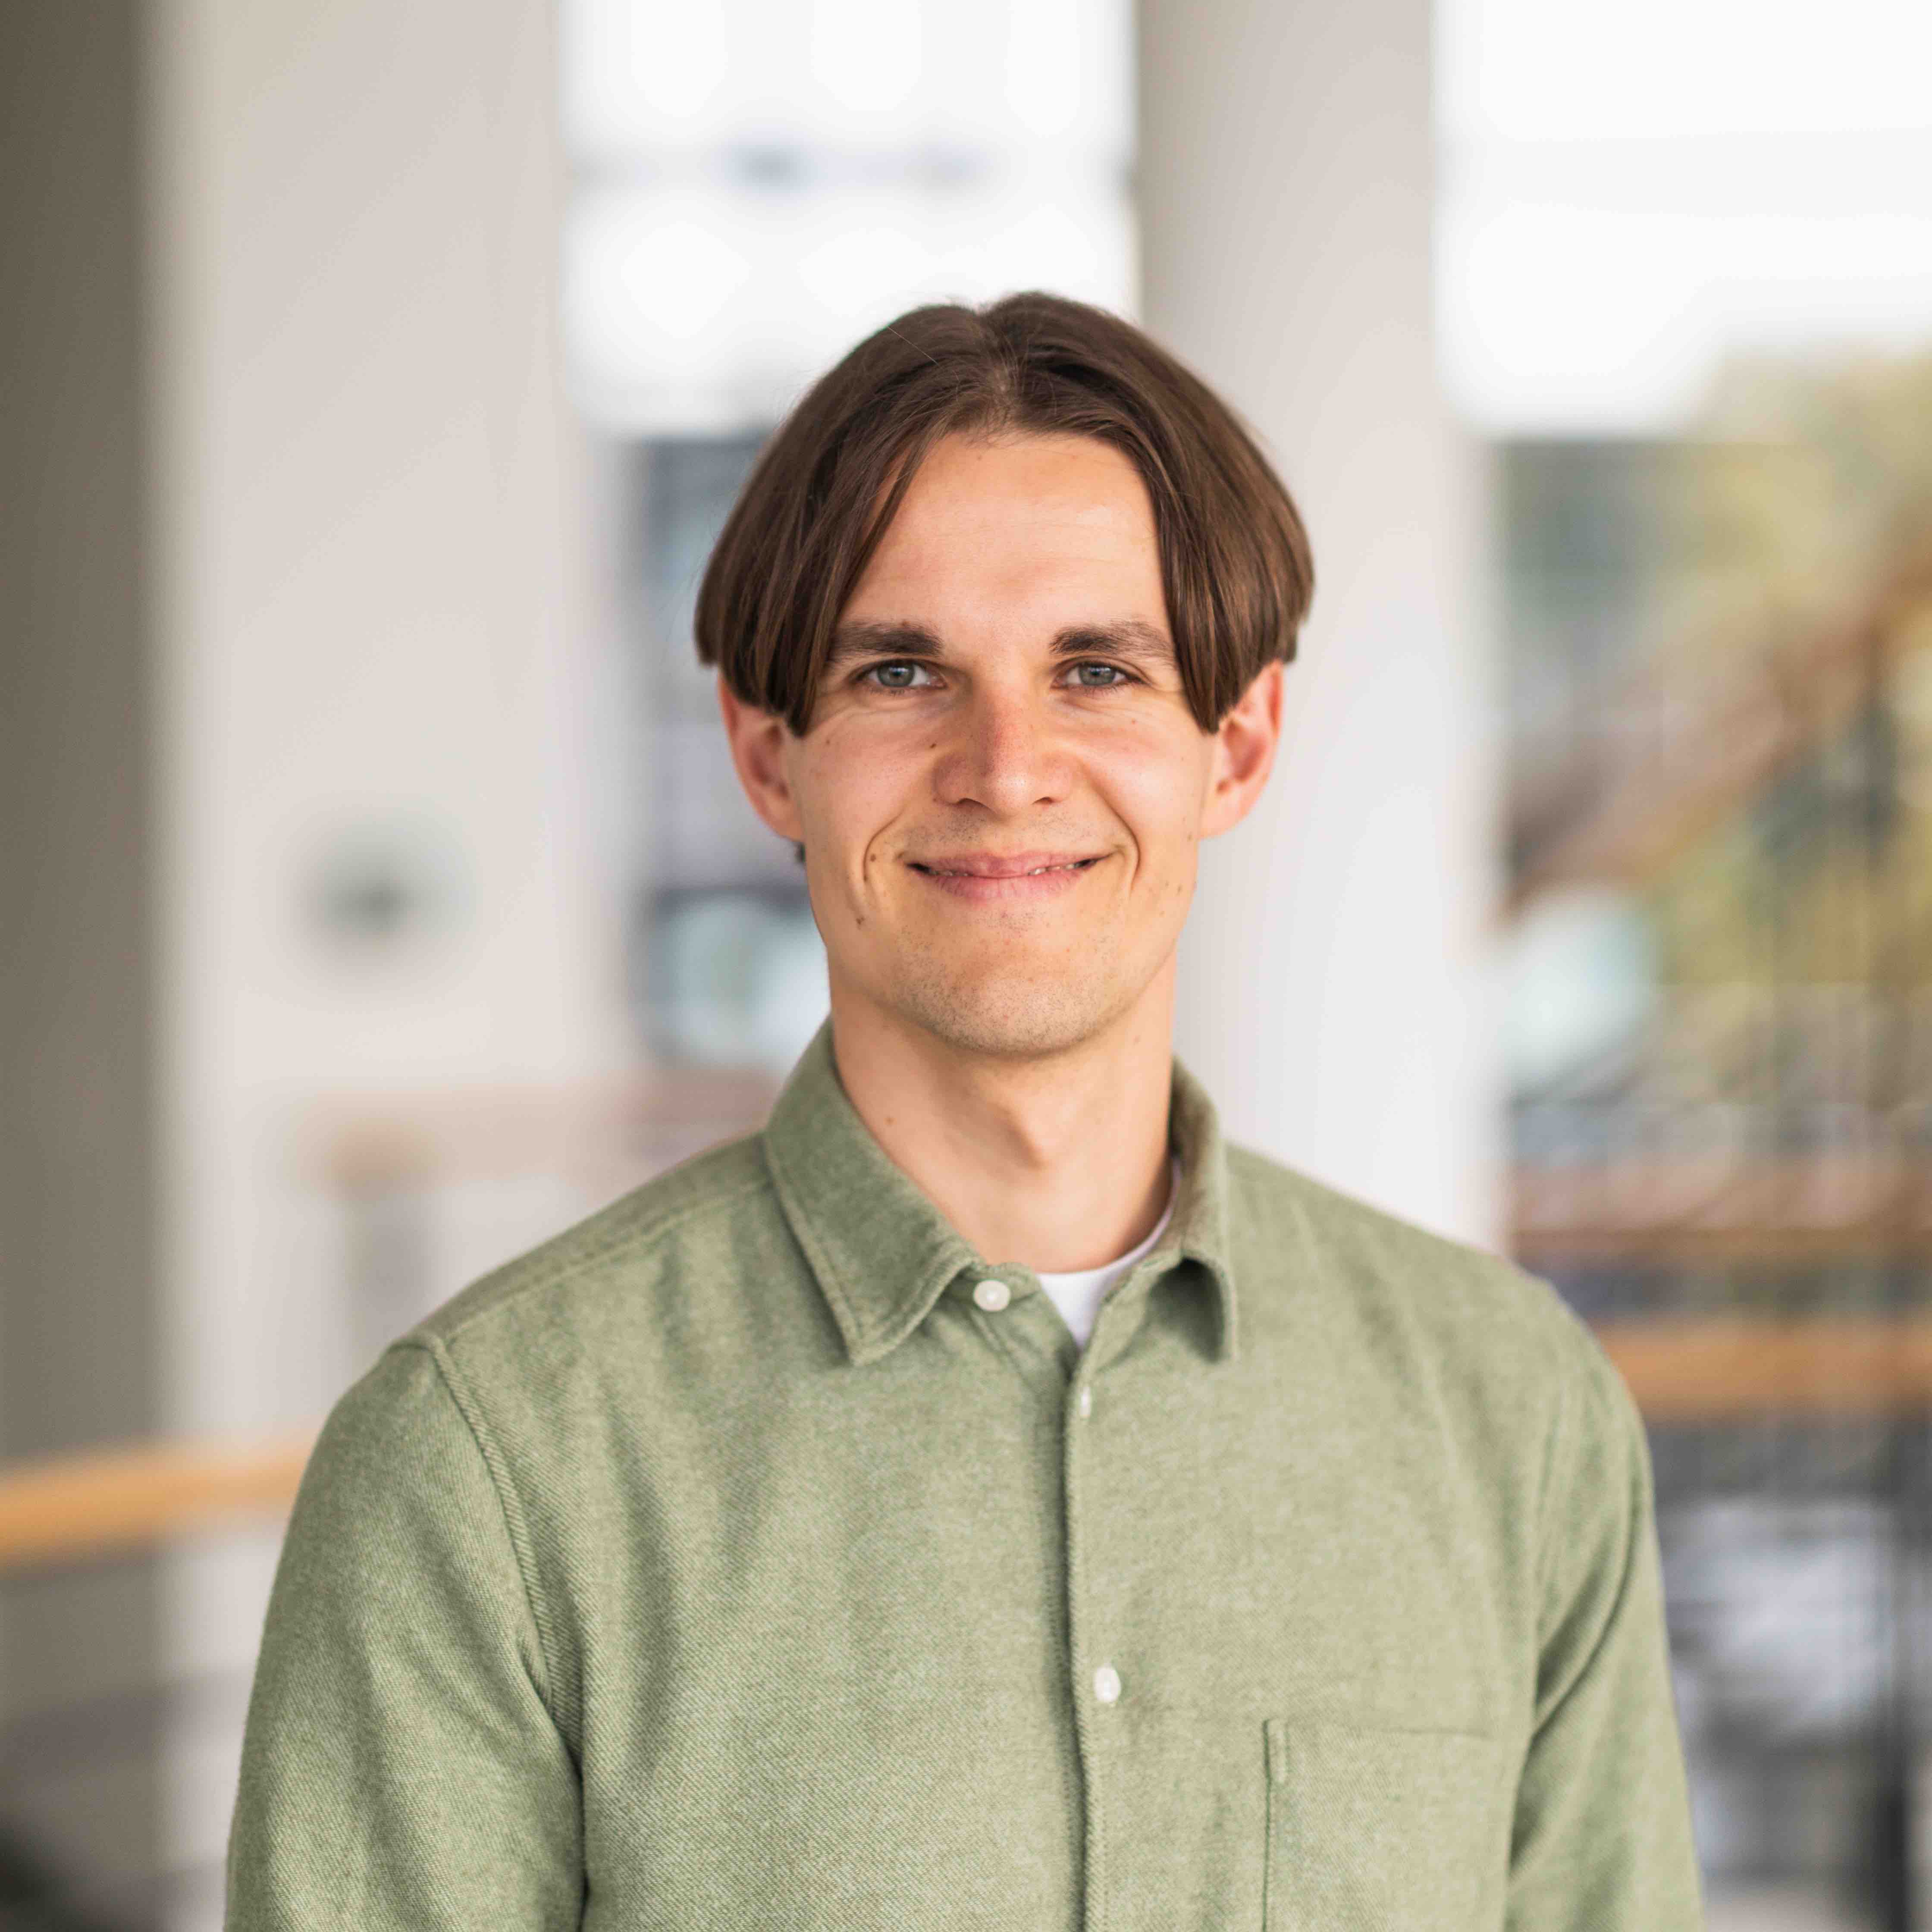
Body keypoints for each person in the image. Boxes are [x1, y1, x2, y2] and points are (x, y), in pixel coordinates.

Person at [226, 292, 1703, 1929]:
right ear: (770, 757)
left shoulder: (1517, 1417)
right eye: (904, 670)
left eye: (1098, 669)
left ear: (1239, 744)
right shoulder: (482, 1465)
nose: (1007, 766)